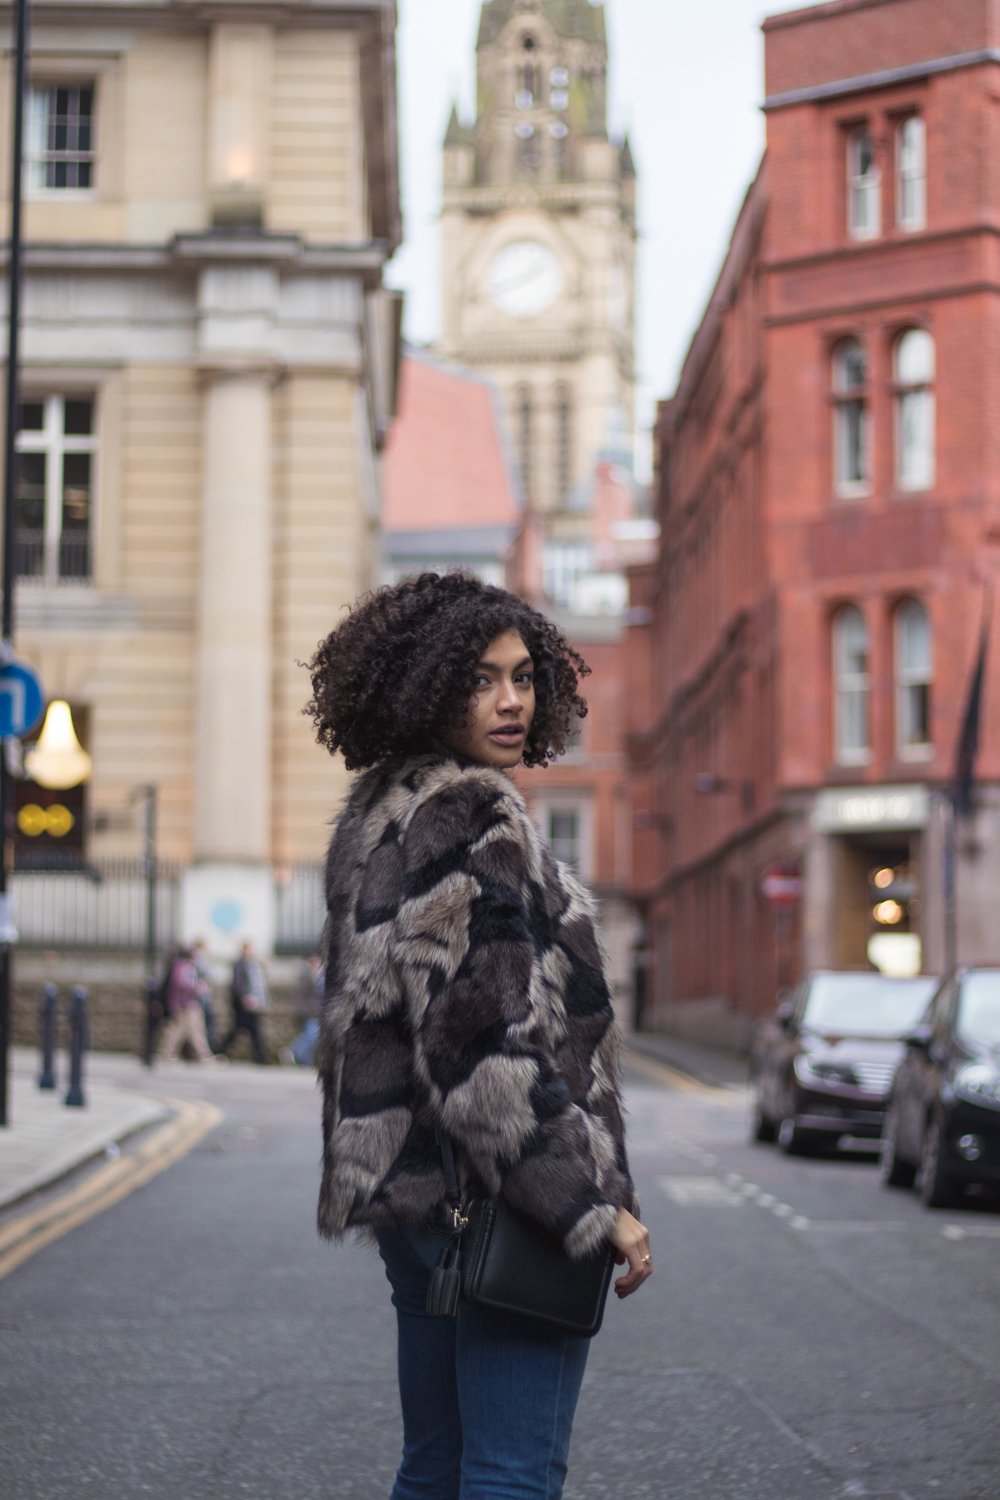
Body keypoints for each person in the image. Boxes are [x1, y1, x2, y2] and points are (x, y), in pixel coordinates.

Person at [305, 571, 652, 1500]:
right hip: (500, 1202)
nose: (511, 700)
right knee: (511, 1473)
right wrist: (585, 1205)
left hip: (418, 1205)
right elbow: (480, 1051)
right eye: (481, 679)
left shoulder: (384, 809)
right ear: (423, 684)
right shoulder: (473, 814)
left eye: (525, 676)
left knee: (436, 1466)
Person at [157, 945, 218, 1063]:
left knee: (182, 1030)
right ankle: (204, 1056)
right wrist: (197, 986)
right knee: (192, 1030)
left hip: (187, 1003)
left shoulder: (184, 966)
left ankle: (166, 1054)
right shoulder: (183, 966)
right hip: (186, 1004)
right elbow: (182, 983)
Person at [219, 940, 270, 1063]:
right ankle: (261, 1057)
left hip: (254, 1002)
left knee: (247, 1030)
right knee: (250, 1030)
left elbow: (259, 983)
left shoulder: (253, 963)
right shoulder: (240, 964)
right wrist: (245, 997)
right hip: (245, 1002)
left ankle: (260, 1056)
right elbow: (240, 984)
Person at [282, 952, 323, 1066]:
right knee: (312, 1034)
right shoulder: (307, 976)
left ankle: (305, 1062)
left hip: (316, 1011)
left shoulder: (318, 975)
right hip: (309, 1011)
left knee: (312, 1036)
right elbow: (301, 995)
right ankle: (292, 1051)